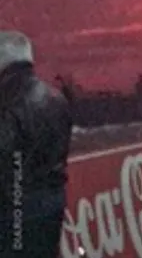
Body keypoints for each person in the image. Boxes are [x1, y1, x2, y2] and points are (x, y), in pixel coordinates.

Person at [0, 31, 73, 258]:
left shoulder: (6, 101)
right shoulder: (56, 98)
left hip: (16, 210)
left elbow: (6, 157)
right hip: (52, 202)